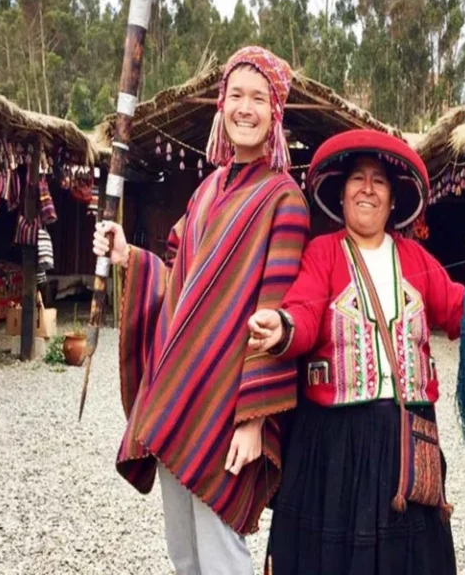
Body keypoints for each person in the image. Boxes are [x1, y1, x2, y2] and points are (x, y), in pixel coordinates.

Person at [248, 129, 465, 575]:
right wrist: (282, 325)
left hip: (405, 439)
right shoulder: (322, 254)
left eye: (379, 181)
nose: (367, 189)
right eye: (357, 178)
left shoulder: (415, 259)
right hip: (335, 443)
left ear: (392, 202)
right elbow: (305, 311)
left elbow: (460, 313)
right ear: (342, 194)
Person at [93, 46, 310, 575]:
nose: (245, 108)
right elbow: (180, 285)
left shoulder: (284, 200)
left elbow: (272, 314)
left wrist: (253, 420)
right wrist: (128, 256)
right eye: (236, 95)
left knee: (221, 553)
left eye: (258, 98)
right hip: (177, 395)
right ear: (221, 105)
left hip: (229, 403)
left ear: (275, 113)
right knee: (184, 551)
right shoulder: (206, 190)